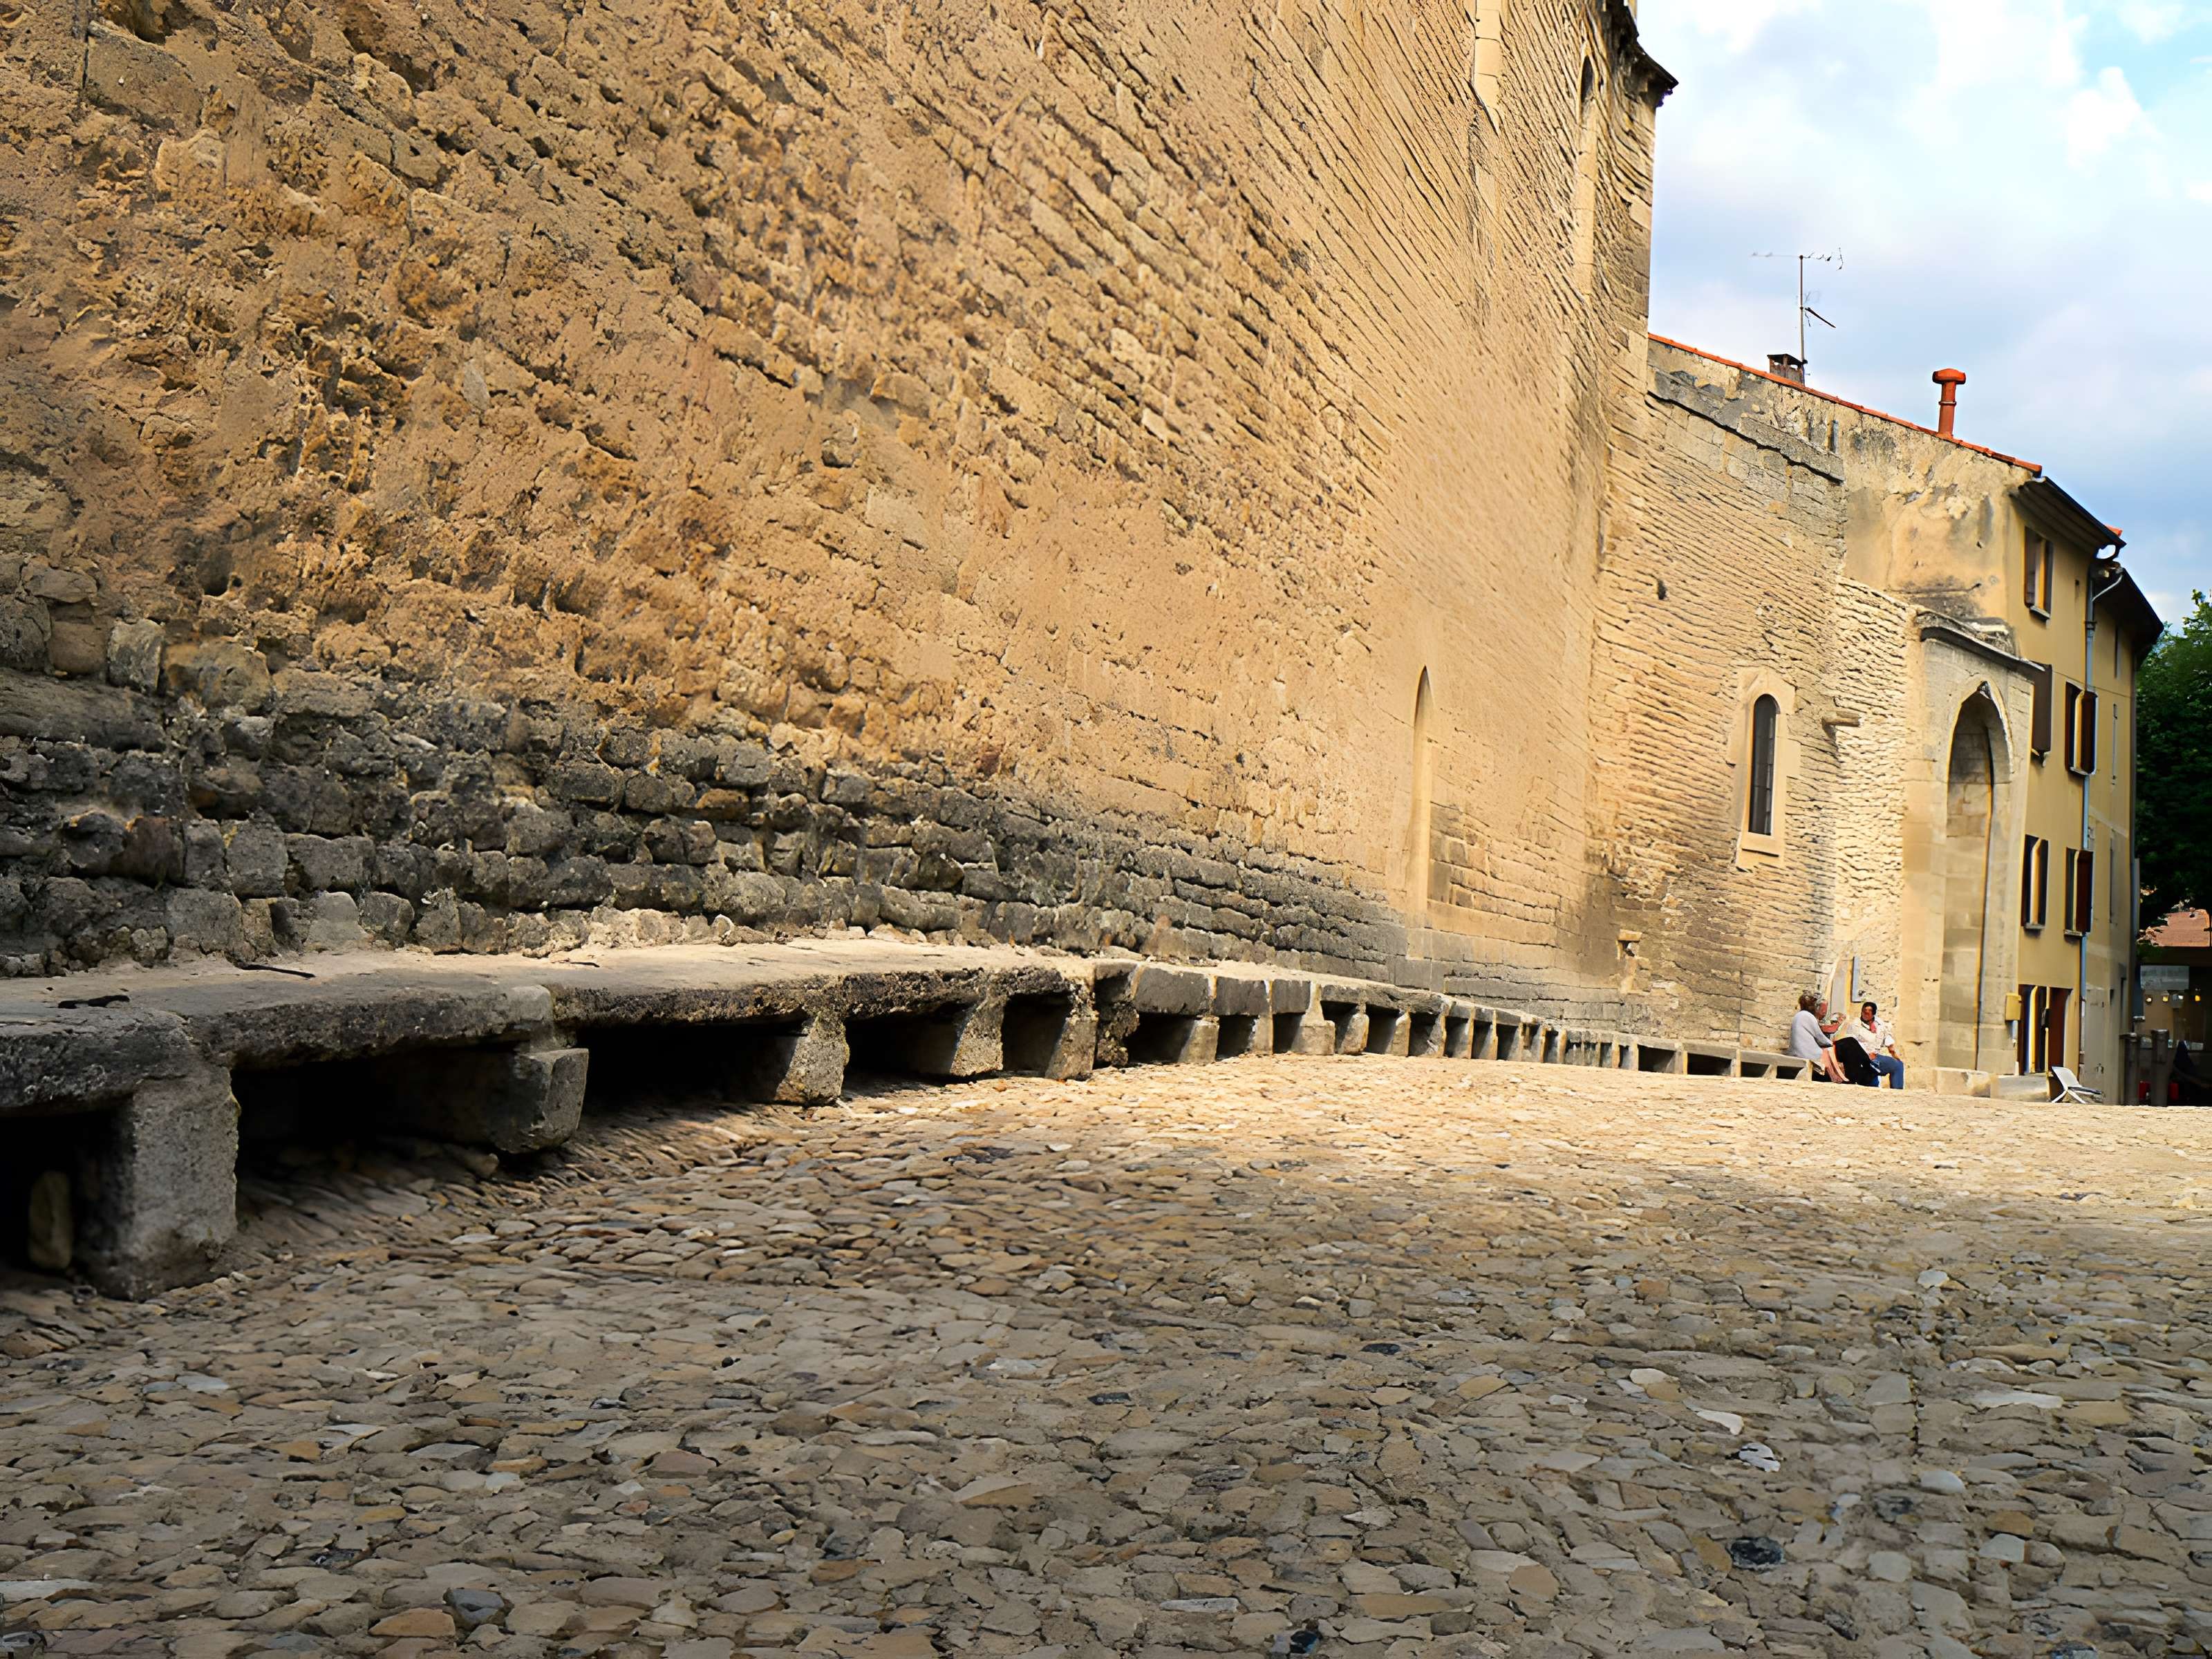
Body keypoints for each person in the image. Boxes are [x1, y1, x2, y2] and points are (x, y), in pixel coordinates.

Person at [1844, 1001, 1906, 1090]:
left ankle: (1897, 1092)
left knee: (1898, 1065)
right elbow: (1852, 1043)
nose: (1866, 1014)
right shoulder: (1856, 1025)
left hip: (1876, 1057)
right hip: (1863, 1059)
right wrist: (1865, 1055)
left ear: (1873, 1014)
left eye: (1869, 1012)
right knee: (1871, 1086)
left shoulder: (1879, 1024)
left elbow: (1887, 1038)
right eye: (1864, 1011)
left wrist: (1893, 1053)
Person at [1789, 992, 1848, 1082]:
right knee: (1827, 1051)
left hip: (1797, 1050)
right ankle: (1836, 1076)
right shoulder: (1808, 1016)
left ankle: (1835, 1076)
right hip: (1804, 1052)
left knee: (1826, 1051)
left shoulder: (1799, 1015)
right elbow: (1819, 1036)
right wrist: (1830, 1043)